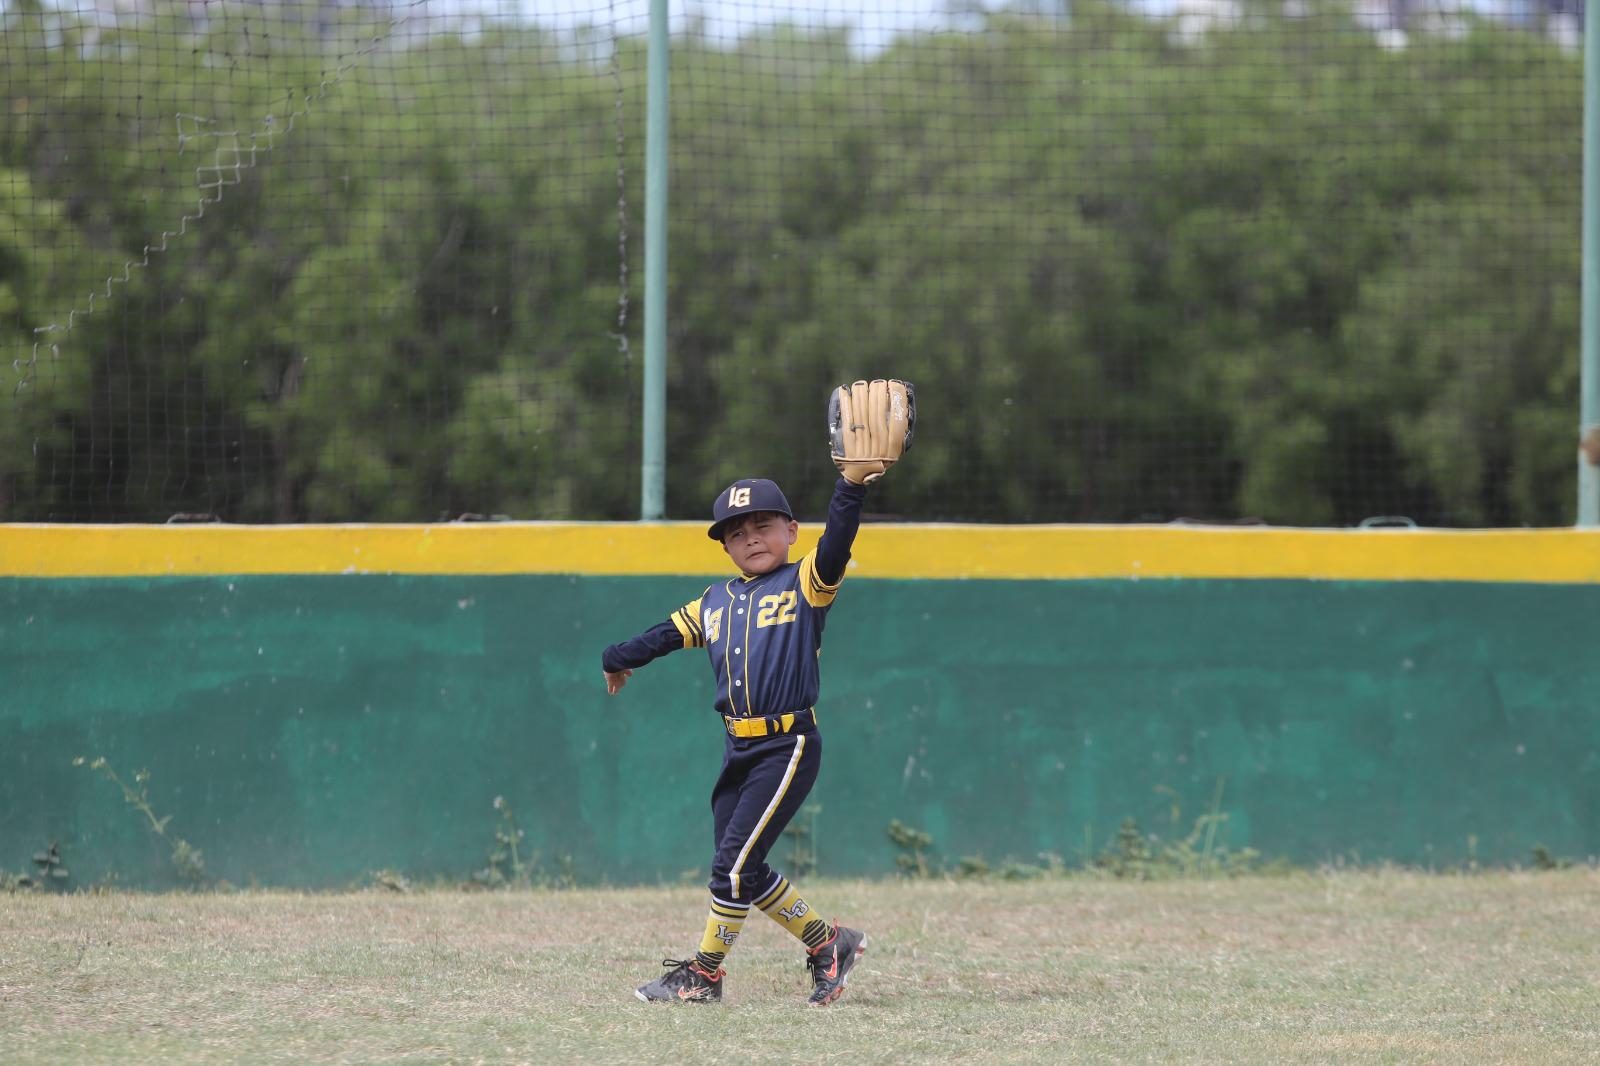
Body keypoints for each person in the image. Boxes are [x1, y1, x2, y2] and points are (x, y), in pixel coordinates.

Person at [601, 474, 873, 1007]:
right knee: (744, 869)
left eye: (763, 525)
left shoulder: (807, 583)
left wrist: (850, 487)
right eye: (736, 532)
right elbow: (664, 635)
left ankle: (704, 976)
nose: (750, 538)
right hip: (738, 750)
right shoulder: (716, 600)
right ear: (724, 545)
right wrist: (617, 657)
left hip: (787, 743)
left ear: (792, 531)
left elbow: (838, 540)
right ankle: (829, 945)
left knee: (731, 868)